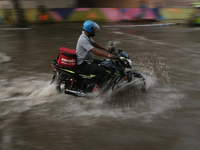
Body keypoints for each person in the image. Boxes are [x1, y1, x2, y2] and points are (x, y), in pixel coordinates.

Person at [76, 20, 115, 93]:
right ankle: (95, 89)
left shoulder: (86, 36)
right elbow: (95, 51)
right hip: (83, 64)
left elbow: (94, 43)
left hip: (88, 61)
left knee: (106, 64)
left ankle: (102, 83)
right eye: (94, 30)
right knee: (101, 71)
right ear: (89, 29)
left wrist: (105, 49)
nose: (95, 31)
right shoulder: (83, 39)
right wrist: (108, 55)